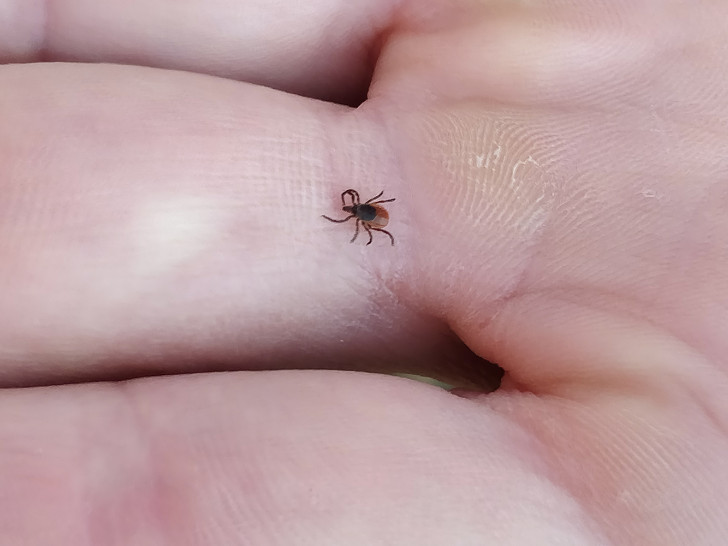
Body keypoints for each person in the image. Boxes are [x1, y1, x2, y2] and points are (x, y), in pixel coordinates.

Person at [1, 0, 726, 543]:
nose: (362, 216)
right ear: (366, 210)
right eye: (361, 213)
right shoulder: (370, 213)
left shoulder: (363, 214)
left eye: (362, 213)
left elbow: (361, 215)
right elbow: (367, 215)